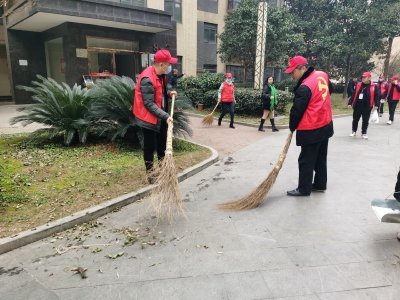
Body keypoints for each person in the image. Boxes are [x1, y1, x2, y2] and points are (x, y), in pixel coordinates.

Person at [285, 56, 334, 197]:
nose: (291, 75)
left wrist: (292, 127)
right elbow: (329, 90)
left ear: (303, 68)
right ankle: (319, 184)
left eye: (293, 72)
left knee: (306, 160)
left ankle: (304, 189)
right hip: (326, 124)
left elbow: (297, 111)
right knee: (320, 157)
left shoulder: (304, 87)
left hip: (312, 128)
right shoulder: (322, 74)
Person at [133, 50, 177, 184]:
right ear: (162, 64)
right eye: (168, 64)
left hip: (160, 116)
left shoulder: (161, 74)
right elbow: (149, 104)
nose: (170, 67)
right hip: (148, 117)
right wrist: (165, 116)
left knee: (162, 144)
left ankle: (164, 170)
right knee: (150, 146)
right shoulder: (147, 78)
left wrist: (169, 93)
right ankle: (151, 175)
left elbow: (160, 91)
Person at [347, 72, 379, 139]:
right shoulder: (359, 85)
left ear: (369, 78)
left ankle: (364, 133)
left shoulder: (374, 86)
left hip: (367, 106)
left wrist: (376, 104)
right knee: (355, 119)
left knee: (365, 120)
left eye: (365, 77)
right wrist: (350, 103)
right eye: (362, 77)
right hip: (358, 106)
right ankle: (354, 131)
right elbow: (353, 94)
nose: (363, 78)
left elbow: (376, 96)